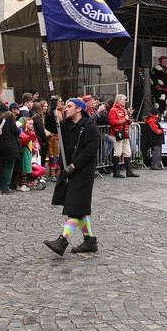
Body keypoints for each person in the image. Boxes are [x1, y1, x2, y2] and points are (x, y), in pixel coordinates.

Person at [44, 98, 101, 255]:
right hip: (69, 171)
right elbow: (50, 126)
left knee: (74, 208)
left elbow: (90, 151)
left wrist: (74, 166)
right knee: (79, 207)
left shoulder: (90, 127)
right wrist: (50, 111)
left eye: (69, 106)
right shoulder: (66, 125)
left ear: (79, 109)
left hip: (82, 172)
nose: (66, 109)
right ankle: (89, 241)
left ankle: (62, 241)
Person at [109, 94, 139, 178]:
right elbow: (112, 122)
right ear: (118, 100)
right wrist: (125, 119)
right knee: (117, 152)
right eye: (123, 100)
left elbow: (125, 121)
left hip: (125, 133)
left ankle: (129, 171)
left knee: (127, 152)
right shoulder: (113, 110)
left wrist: (129, 120)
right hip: (117, 134)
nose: (124, 102)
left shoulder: (124, 110)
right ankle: (116, 172)